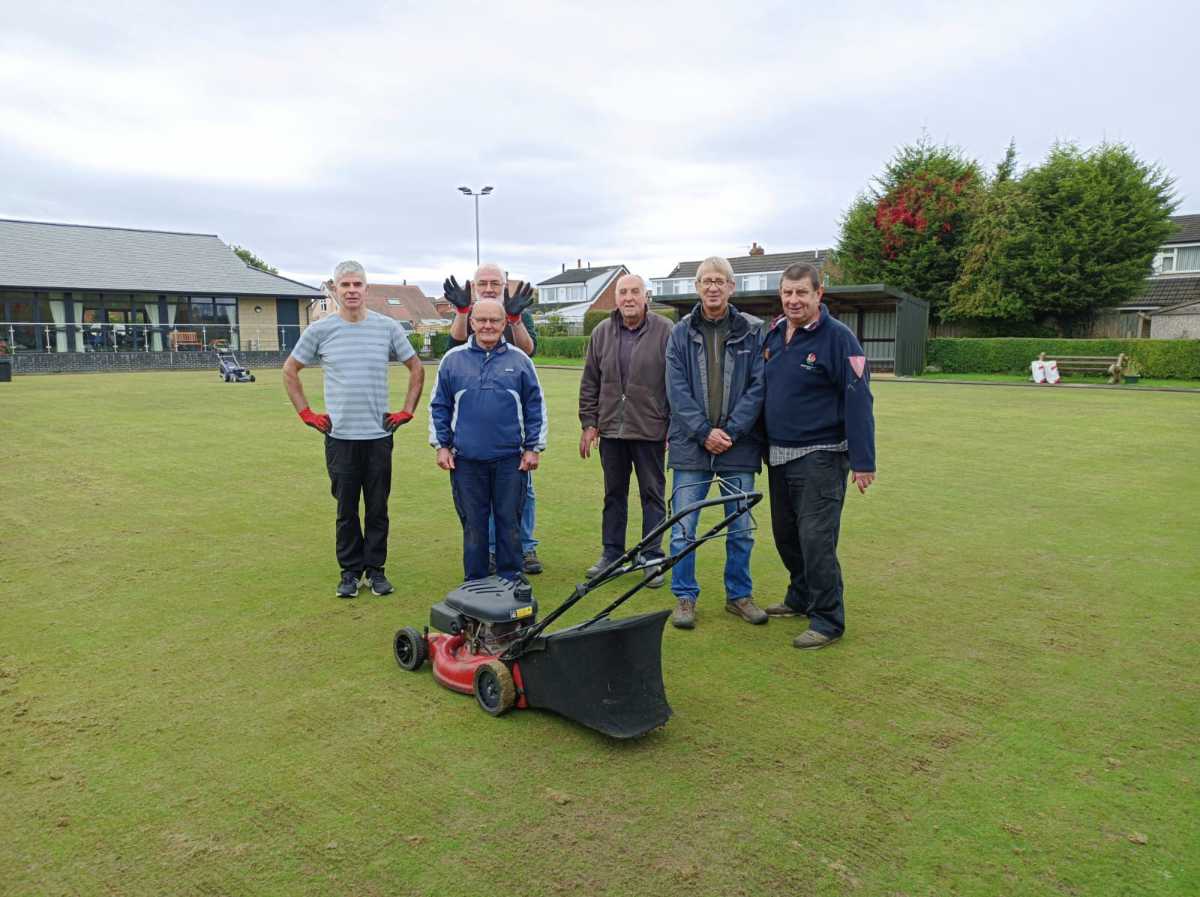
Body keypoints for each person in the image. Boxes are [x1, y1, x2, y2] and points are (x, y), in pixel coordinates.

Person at [283, 260, 425, 599]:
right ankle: (349, 572)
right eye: (344, 285)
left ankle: (376, 571)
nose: (351, 291)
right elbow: (290, 370)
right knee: (346, 509)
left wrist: (407, 410)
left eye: (356, 285)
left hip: (378, 436)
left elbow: (416, 368)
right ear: (335, 289)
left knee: (377, 507)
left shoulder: (387, 328)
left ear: (366, 289)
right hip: (340, 437)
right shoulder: (320, 330)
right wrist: (306, 413)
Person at [761, 262, 876, 649]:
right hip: (778, 454)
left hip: (822, 457)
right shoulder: (775, 334)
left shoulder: (839, 339)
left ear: (818, 294)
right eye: (787, 293)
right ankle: (799, 597)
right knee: (786, 536)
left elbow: (859, 400)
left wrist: (863, 461)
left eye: (801, 293)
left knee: (816, 539)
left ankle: (827, 619)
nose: (794, 300)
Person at [664, 256, 767, 630]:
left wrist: (732, 431)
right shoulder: (678, 333)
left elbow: (759, 386)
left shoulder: (754, 331)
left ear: (731, 287)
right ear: (697, 287)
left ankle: (738, 595)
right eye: (706, 281)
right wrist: (704, 432)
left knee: (740, 529)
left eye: (719, 281)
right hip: (691, 448)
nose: (712, 287)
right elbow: (675, 390)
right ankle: (685, 596)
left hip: (739, 448)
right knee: (684, 530)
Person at [429, 298, 547, 583]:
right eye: (481, 320)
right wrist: (441, 445)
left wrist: (533, 448)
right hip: (466, 461)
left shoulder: (520, 361)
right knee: (474, 526)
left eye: (494, 320)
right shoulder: (452, 360)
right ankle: (476, 581)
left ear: (504, 323)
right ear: (471, 322)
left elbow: (535, 406)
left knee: (509, 524)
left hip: (511, 461)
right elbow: (439, 405)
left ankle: (511, 579)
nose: (487, 326)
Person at [578, 273, 672, 585]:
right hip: (612, 432)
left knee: (652, 495)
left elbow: (676, 383)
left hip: (650, 429)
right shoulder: (602, 332)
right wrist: (589, 423)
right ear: (616, 298)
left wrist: (672, 425)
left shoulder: (665, 331)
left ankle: (652, 556)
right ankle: (612, 553)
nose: (628, 297)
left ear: (646, 295)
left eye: (634, 292)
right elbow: (590, 380)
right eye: (623, 292)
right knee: (613, 495)